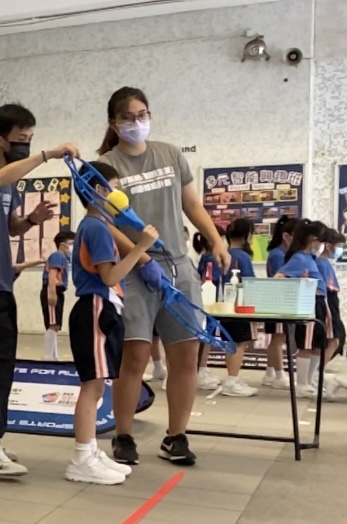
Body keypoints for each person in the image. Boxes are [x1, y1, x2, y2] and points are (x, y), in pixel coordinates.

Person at [98, 87, 230, 467]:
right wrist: (141, 258)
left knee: (186, 355)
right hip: (134, 269)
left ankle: (176, 436)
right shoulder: (106, 167)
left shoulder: (170, 154)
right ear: (114, 123)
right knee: (136, 355)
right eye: (128, 117)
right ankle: (123, 435)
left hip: (178, 267)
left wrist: (216, 240)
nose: (136, 123)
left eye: (142, 115)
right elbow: (106, 223)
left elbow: (191, 204)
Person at [0, 102, 78, 477]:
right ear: (0, 140)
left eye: (31, 139)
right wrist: (47, 155)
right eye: (21, 139)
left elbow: (11, 227)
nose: (26, 145)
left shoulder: (12, 184)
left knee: (0, 357)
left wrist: (31, 221)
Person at [65, 161, 156, 485]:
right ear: (98, 190)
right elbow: (109, 276)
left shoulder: (97, 226)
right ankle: (81, 458)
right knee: (91, 388)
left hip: (102, 308)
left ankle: (89, 451)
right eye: (115, 187)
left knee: (97, 387)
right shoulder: (96, 228)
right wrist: (141, 248)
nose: (120, 194)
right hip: (95, 308)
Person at [276, 219, 330, 397]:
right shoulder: (299, 258)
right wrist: (299, 286)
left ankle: (309, 380)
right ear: (312, 240)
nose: (322, 245)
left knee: (317, 345)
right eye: (321, 241)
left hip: (320, 302)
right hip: (310, 303)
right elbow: (279, 278)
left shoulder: (309, 258)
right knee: (306, 345)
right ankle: (301, 384)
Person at [217, 218, 260, 396]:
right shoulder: (243, 257)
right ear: (248, 236)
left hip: (222, 306)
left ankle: (232, 378)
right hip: (239, 307)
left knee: (230, 342)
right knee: (239, 343)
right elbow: (250, 282)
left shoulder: (224, 253)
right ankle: (232, 380)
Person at [263, 216, 295, 389]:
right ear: (286, 236)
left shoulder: (283, 253)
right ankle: (279, 374)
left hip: (280, 300)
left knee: (278, 337)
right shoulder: (278, 254)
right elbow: (279, 279)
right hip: (277, 300)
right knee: (277, 338)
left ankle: (270, 373)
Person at [192, 231, 225, 391]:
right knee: (205, 337)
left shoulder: (205, 257)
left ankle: (202, 369)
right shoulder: (212, 259)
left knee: (205, 337)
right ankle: (200, 370)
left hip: (205, 301)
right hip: (208, 302)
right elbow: (209, 280)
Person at [41, 230, 74, 361]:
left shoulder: (64, 259)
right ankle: (48, 356)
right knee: (52, 324)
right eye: (72, 243)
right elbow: (52, 275)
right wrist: (52, 292)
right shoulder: (57, 256)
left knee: (56, 325)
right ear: (62, 245)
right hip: (53, 290)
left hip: (58, 291)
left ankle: (54, 356)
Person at [317, 229, 347, 362]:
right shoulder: (320, 263)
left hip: (332, 300)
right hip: (327, 301)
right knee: (333, 341)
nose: (340, 249)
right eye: (338, 246)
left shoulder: (326, 263)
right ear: (328, 246)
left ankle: (318, 369)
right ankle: (318, 370)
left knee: (336, 339)